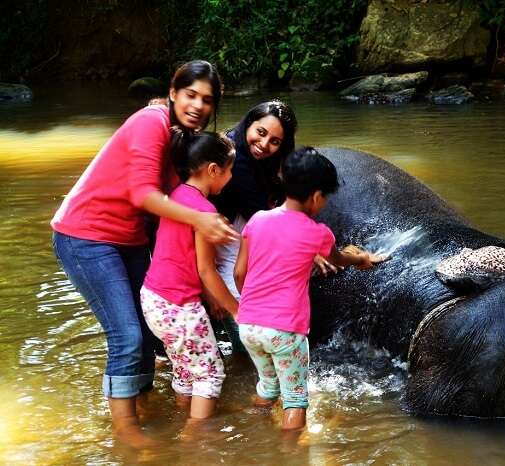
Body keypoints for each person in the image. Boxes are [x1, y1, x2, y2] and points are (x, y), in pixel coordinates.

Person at [50, 60, 236, 448]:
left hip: (129, 239)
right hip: (85, 235)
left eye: (207, 100)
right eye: (190, 95)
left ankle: (143, 405)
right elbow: (144, 195)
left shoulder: (181, 138)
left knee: (149, 335)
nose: (198, 106)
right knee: (128, 335)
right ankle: (126, 431)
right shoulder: (151, 122)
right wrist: (202, 222)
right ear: (173, 92)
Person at [234, 147, 386, 431]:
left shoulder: (257, 220)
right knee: (295, 400)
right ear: (317, 197)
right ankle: (290, 455)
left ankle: (254, 433)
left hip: (249, 325)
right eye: (325, 198)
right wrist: (362, 259)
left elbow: (239, 273)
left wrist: (252, 306)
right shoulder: (318, 233)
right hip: (285, 330)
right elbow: (337, 258)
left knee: (268, 386)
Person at [211, 101, 329, 347]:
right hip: (220, 229)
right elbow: (258, 212)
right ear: (249, 123)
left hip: (242, 219)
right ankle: (244, 344)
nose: (264, 145)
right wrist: (308, 244)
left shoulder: (265, 159)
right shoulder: (235, 155)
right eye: (261, 133)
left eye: (275, 141)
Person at [140, 131, 238, 422]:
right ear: (213, 170)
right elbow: (207, 271)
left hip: (154, 300)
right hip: (179, 306)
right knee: (211, 374)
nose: (231, 178)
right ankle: (195, 443)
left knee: (186, 370)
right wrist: (238, 310)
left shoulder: (176, 195)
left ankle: (182, 417)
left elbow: (186, 259)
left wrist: (210, 298)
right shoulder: (205, 211)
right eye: (230, 171)